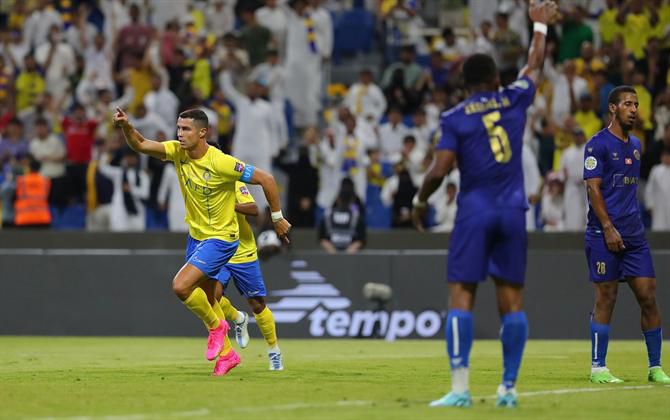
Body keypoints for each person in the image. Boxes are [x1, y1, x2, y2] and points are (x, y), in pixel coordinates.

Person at [411, 0, 558, 408]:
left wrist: (421, 200)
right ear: (495, 78)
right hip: (513, 212)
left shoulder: (455, 117)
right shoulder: (513, 98)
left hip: (474, 211)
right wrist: (540, 27)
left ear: (464, 85)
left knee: (461, 295)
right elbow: (534, 66)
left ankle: (459, 389)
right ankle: (508, 389)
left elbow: (440, 170)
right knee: (512, 301)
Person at [113, 108, 291, 376]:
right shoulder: (177, 152)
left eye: (186, 129)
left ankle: (228, 332)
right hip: (197, 238)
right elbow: (139, 143)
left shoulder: (222, 163)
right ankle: (228, 355)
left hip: (222, 239)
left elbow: (266, 179)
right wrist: (127, 126)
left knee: (181, 287)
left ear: (202, 132)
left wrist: (277, 217)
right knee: (210, 299)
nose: (179, 134)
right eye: (178, 128)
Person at [582, 86, 670, 385]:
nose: (634, 109)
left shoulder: (635, 145)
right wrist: (608, 227)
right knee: (606, 296)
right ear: (613, 109)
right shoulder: (596, 145)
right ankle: (598, 368)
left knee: (648, 296)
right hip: (602, 233)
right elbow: (593, 189)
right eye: (627, 104)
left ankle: (655, 366)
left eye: (635, 104)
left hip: (634, 236)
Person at [202, 181, 284, 371]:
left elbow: (254, 209)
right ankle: (238, 318)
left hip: (242, 252)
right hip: (218, 250)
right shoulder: (198, 185)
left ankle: (274, 350)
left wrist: (228, 204)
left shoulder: (232, 182)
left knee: (257, 304)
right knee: (212, 296)